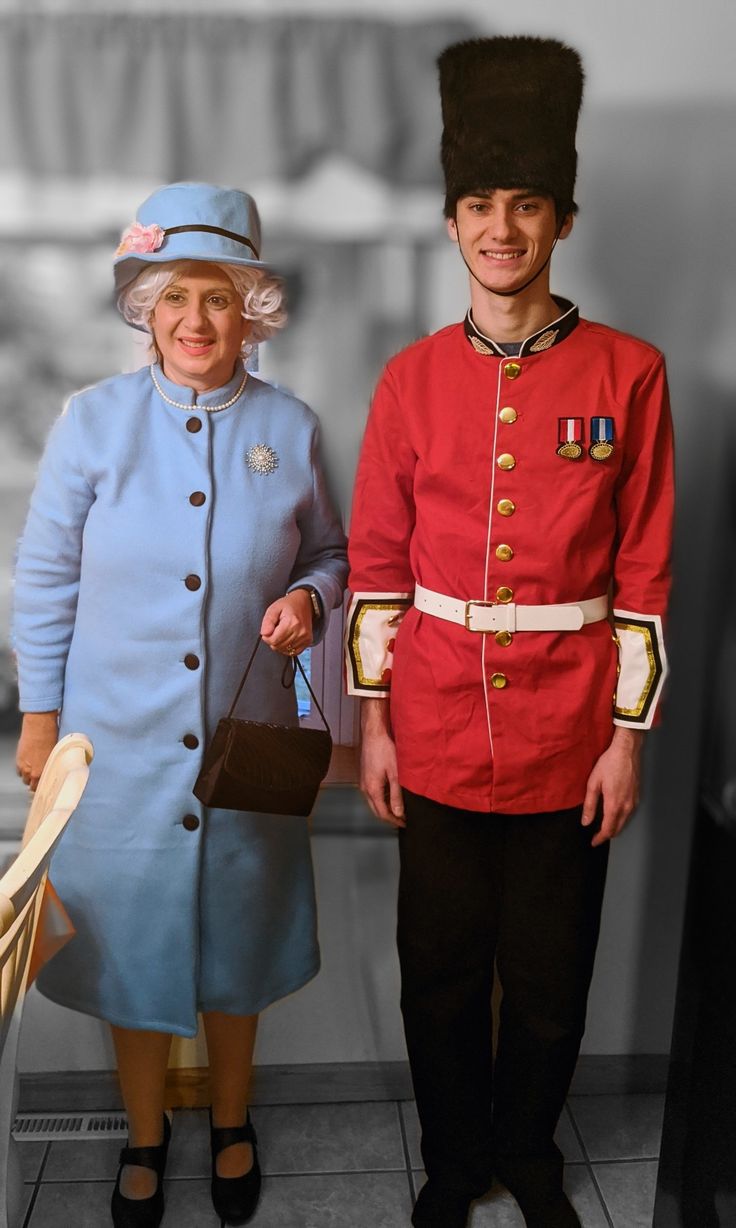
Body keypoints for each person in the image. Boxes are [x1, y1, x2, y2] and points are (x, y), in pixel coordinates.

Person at [346, 36, 673, 1228]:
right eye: (479, 205)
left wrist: (625, 739)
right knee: (437, 977)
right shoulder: (409, 379)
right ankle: (449, 1159)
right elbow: (377, 572)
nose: (500, 228)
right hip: (430, 724)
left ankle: (529, 1152)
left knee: (546, 981)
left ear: (562, 220)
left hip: (567, 731)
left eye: (524, 205)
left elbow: (645, 574)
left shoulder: (630, 374)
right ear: (451, 224)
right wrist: (373, 723)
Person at [13, 181, 348, 1228]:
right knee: (133, 944)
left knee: (236, 947)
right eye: (173, 299)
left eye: (217, 297)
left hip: (246, 749)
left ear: (252, 307)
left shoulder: (291, 429)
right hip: (116, 752)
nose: (196, 321)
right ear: (144, 311)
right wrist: (37, 717)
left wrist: (306, 596)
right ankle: (146, 1135)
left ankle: (234, 1122)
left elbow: (335, 554)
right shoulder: (93, 423)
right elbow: (45, 577)